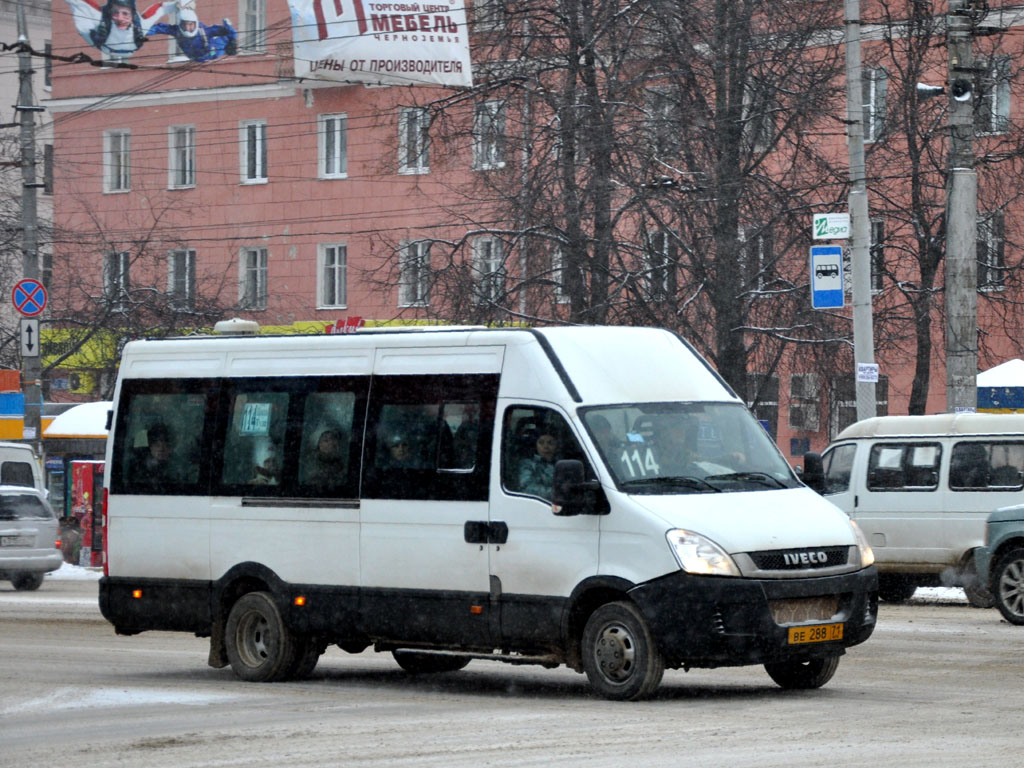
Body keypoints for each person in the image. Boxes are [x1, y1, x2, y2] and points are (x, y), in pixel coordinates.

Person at [65, 0, 174, 58]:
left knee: (156, 28)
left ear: (132, 14)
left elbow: (160, 8)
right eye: (116, 13)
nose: (120, 18)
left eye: (125, 14)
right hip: (105, 46)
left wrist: (180, 5)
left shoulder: (141, 25)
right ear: (110, 12)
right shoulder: (101, 19)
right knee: (84, 27)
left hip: (129, 49)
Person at [147, 6, 238, 62]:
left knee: (220, 43)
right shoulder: (177, 31)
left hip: (211, 53)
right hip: (194, 56)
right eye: (184, 25)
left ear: (195, 23)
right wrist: (142, 32)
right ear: (180, 24)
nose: (187, 28)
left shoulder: (204, 31)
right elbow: (159, 28)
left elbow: (227, 31)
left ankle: (229, 47)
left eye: (190, 24)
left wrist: (233, 40)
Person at [518, 429, 559, 498]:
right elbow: (527, 488)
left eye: (550, 443)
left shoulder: (562, 464)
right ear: (536, 445)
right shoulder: (528, 464)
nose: (546, 447)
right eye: (541, 443)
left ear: (557, 446)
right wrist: (557, 493)